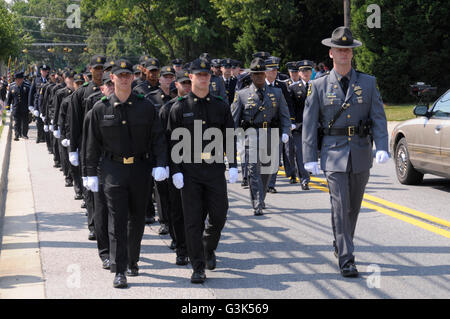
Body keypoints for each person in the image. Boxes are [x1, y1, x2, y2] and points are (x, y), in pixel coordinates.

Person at [302, 26, 389, 277]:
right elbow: (309, 123)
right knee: (340, 205)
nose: (343, 54)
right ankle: (347, 258)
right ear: (331, 53)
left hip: (361, 151)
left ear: (352, 54)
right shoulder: (319, 86)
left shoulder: (368, 82)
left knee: (353, 207)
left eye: (347, 50)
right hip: (333, 152)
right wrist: (309, 157)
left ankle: (340, 243)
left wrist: (382, 146)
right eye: (339, 50)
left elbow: (379, 118)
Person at [85, 59, 168, 288]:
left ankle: (133, 260)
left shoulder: (146, 107)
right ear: (112, 78)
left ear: (133, 77)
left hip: (140, 169)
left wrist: (161, 163)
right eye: (119, 75)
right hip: (113, 171)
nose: (123, 78)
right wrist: (90, 173)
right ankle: (119, 269)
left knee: (137, 219)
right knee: (118, 220)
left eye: (127, 75)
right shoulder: (100, 108)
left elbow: (158, 138)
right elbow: (92, 143)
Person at [167, 58, 238, 284]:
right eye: (199, 75)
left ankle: (208, 246)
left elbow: (229, 137)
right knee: (192, 220)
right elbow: (171, 142)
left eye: (206, 75)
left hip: (215, 169)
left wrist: (234, 165)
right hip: (190, 171)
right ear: (191, 77)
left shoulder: (220, 106)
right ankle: (197, 266)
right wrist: (175, 170)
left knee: (219, 215)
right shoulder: (179, 108)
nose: (203, 78)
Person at [231, 57, 291, 216]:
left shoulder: (276, 92)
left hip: (271, 135)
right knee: (253, 170)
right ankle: (256, 202)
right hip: (250, 136)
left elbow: (284, 114)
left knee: (268, 170)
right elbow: (234, 118)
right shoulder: (242, 94)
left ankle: (261, 196)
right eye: (255, 74)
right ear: (251, 76)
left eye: (260, 74)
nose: (258, 77)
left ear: (265, 74)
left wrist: (286, 131)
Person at [158, 69, 192, 266]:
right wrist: (164, 165)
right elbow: (161, 139)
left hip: (197, 164)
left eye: (189, 83)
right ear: (176, 85)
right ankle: (181, 247)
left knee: (197, 209)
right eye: (183, 83)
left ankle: (193, 244)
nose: (187, 87)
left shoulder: (200, 106)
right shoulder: (168, 109)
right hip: (175, 164)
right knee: (177, 209)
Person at [264, 56, 295, 191]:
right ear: (265, 71)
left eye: (276, 70)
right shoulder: (257, 85)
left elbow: (286, 107)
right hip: (260, 128)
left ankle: (271, 184)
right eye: (271, 70)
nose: (274, 72)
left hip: (276, 127)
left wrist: (287, 127)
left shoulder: (281, 86)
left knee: (275, 157)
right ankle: (262, 182)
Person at [287, 60, 314, 190]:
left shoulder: (316, 86)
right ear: (299, 73)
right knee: (300, 153)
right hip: (299, 126)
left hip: (314, 126)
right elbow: (290, 107)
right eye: (303, 71)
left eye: (308, 70)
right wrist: (292, 122)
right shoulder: (293, 88)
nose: (306, 73)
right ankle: (304, 179)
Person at [6, 72, 31, 140]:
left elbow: (30, 97)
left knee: (25, 122)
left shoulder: (27, 86)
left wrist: (30, 107)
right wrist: (8, 107)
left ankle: (24, 134)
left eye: (20, 79)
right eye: (17, 79)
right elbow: (9, 98)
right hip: (16, 108)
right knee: (17, 122)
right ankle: (17, 135)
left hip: (25, 108)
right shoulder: (12, 87)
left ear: (22, 79)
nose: (18, 81)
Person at [28, 64, 50, 143]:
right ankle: (39, 136)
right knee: (39, 122)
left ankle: (45, 137)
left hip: (46, 104)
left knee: (46, 122)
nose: (44, 72)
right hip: (38, 104)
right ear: (40, 71)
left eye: (45, 71)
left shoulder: (49, 80)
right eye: (42, 71)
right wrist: (30, 105)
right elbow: (31, 92)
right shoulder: (36, 80)